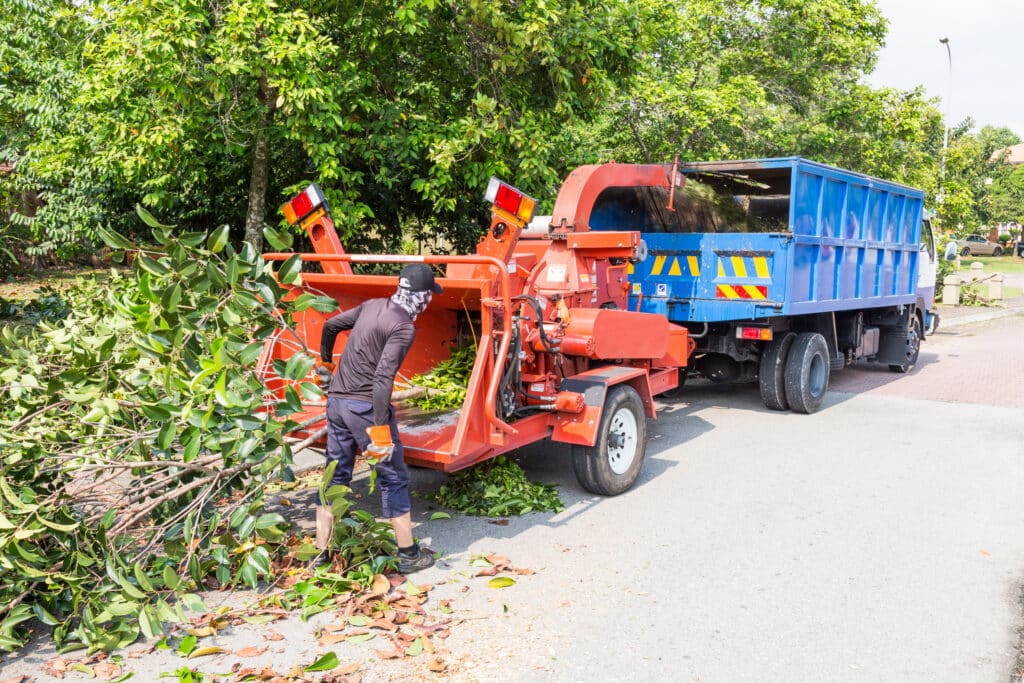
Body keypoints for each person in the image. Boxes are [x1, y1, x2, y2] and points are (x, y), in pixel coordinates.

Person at [313, 262, 442, 574]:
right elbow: (383, 378)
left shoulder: (372, 306)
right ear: (422, 297)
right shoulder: (403, 327)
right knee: (393, 477)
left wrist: (326, 366)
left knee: (334, 476)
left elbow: (330, 326)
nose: (429, 302)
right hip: (365, 409)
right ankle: (409, 555)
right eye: (429, 296)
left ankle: (321, 554)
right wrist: (381, 428)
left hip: (337, 404)